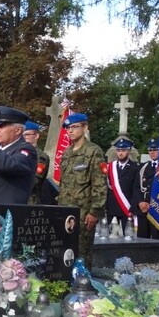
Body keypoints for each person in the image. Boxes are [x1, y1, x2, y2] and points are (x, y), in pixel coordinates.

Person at [57, 112, 106, 268]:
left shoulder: (93, 151)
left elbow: (100, 184)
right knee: (65, 250)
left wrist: (95, 211)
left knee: (82, 252)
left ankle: (84, 286)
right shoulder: (67, 153)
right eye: (68, 128)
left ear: (85, 128)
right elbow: (63, 184)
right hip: (65, 210)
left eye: (74, 127)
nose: (70, 131)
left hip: (84, 212)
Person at [105, 138, 139, 236]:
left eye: (123, 150)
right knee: (110, 237)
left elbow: (135, 189)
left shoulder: (135, 168)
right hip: (112, 207)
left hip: (127, 208)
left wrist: (133, 207)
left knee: (128, 236)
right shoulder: (110, 167)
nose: (120, 153)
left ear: (128, 151)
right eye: (118, 150)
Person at [137, 138, 159, 240]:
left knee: (158, 241)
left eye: (155, 150)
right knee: (141, 240)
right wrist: (140, 202)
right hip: (143, 209)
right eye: (150, 150)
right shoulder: (143, 167)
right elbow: (136, 187)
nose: (152, 152)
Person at [23, 120, 56, 205]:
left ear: (36, 136)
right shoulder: (20, 153)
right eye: (22, 135)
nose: (24, 137)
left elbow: (35, 180)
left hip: (31, 201)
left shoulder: (41, 157)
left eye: (27, 134)